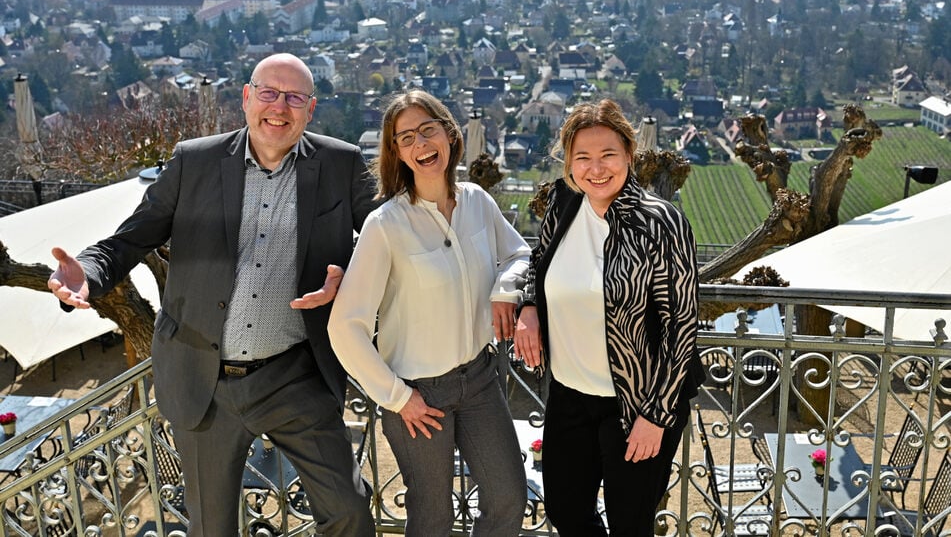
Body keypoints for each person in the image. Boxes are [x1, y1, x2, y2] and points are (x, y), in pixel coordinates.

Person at [47, 53, 376, 537]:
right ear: (246, 98)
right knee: (211, 528)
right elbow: (130, 239)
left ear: (311, 108)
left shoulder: (341, 163)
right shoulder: (193, 161)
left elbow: (385, 245)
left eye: (294, 98)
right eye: (268, 93)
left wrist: (350, 276)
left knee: (348, 510)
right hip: (203, 378)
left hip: (295, 373)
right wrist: (89, 276)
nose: (279, 107)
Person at [328, 89, 529, 536]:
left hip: (479, 380)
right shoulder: (386, 226)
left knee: (508, 498)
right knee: (432, 517)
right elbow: (345, 327)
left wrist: (505, 288)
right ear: (396, 154)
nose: (420, 144)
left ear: (449, 134)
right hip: (419, 395)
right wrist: (397, 398)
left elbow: (519, 254)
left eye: (428, 130)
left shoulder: (478, 201)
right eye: (405, 138)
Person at [514, 99, 706, 537]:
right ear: (568, 162)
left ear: (629, 156)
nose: (595, 169)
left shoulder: (661, 222)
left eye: (608, 156)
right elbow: (539, 259)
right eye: (582, 157)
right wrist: (528, 305)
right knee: (565, 511)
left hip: (638, 402)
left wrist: (656, 415)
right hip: (568, 396)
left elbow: (681, 327)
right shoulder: (563, 201)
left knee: (629, 525)